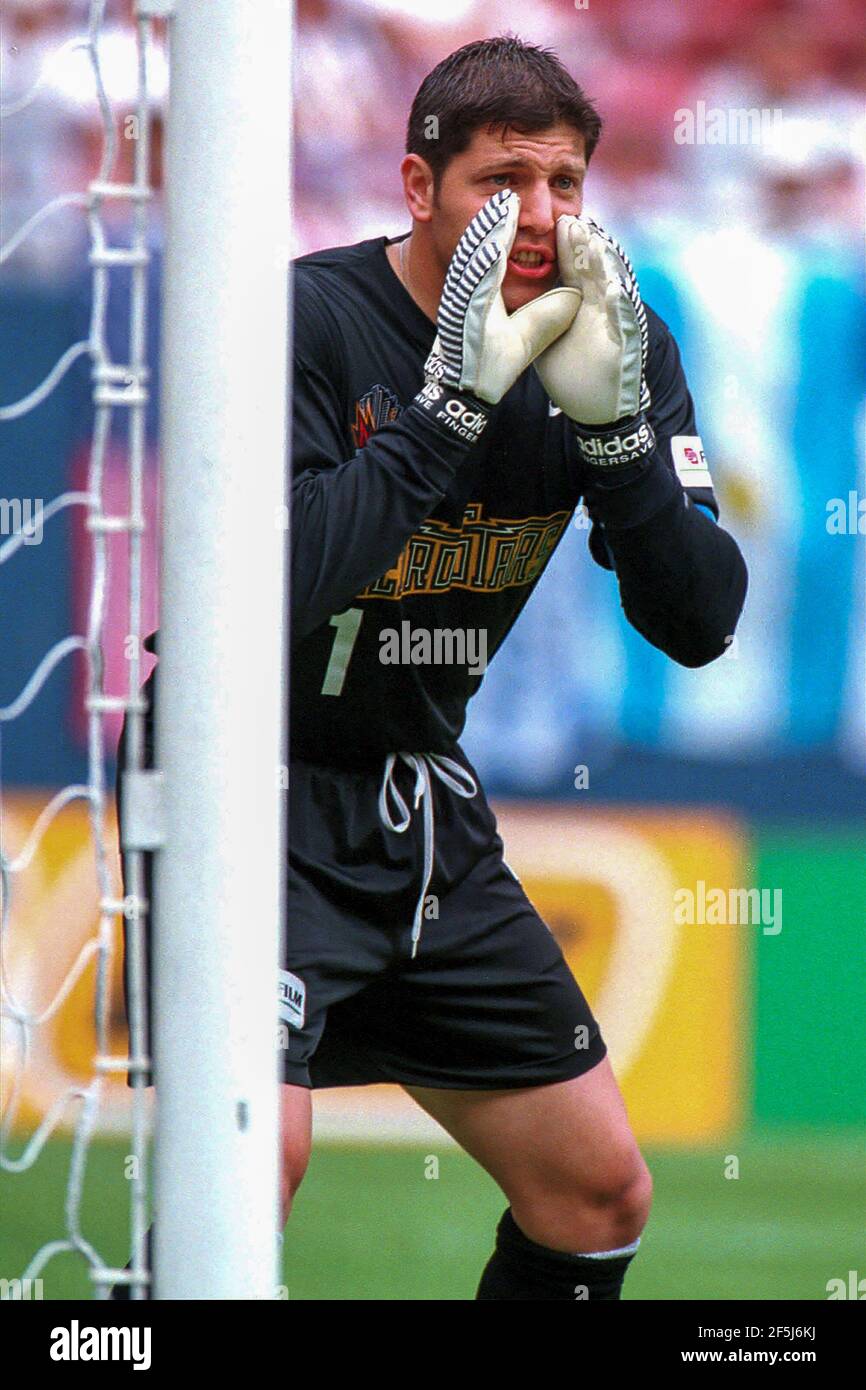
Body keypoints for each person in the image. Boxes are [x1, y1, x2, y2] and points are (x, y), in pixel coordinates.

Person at [115, 35, 747, 1301]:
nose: (540, 216)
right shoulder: (299, 318)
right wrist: (451, 408)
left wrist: (617, 442)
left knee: (596, 1191)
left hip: (411, 800)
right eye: (501, 180)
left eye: (565, 182)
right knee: (249, 1166)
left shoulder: (617, 341)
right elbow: (262, 596)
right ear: (418, 186)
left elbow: (700, 620)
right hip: (239, 779)